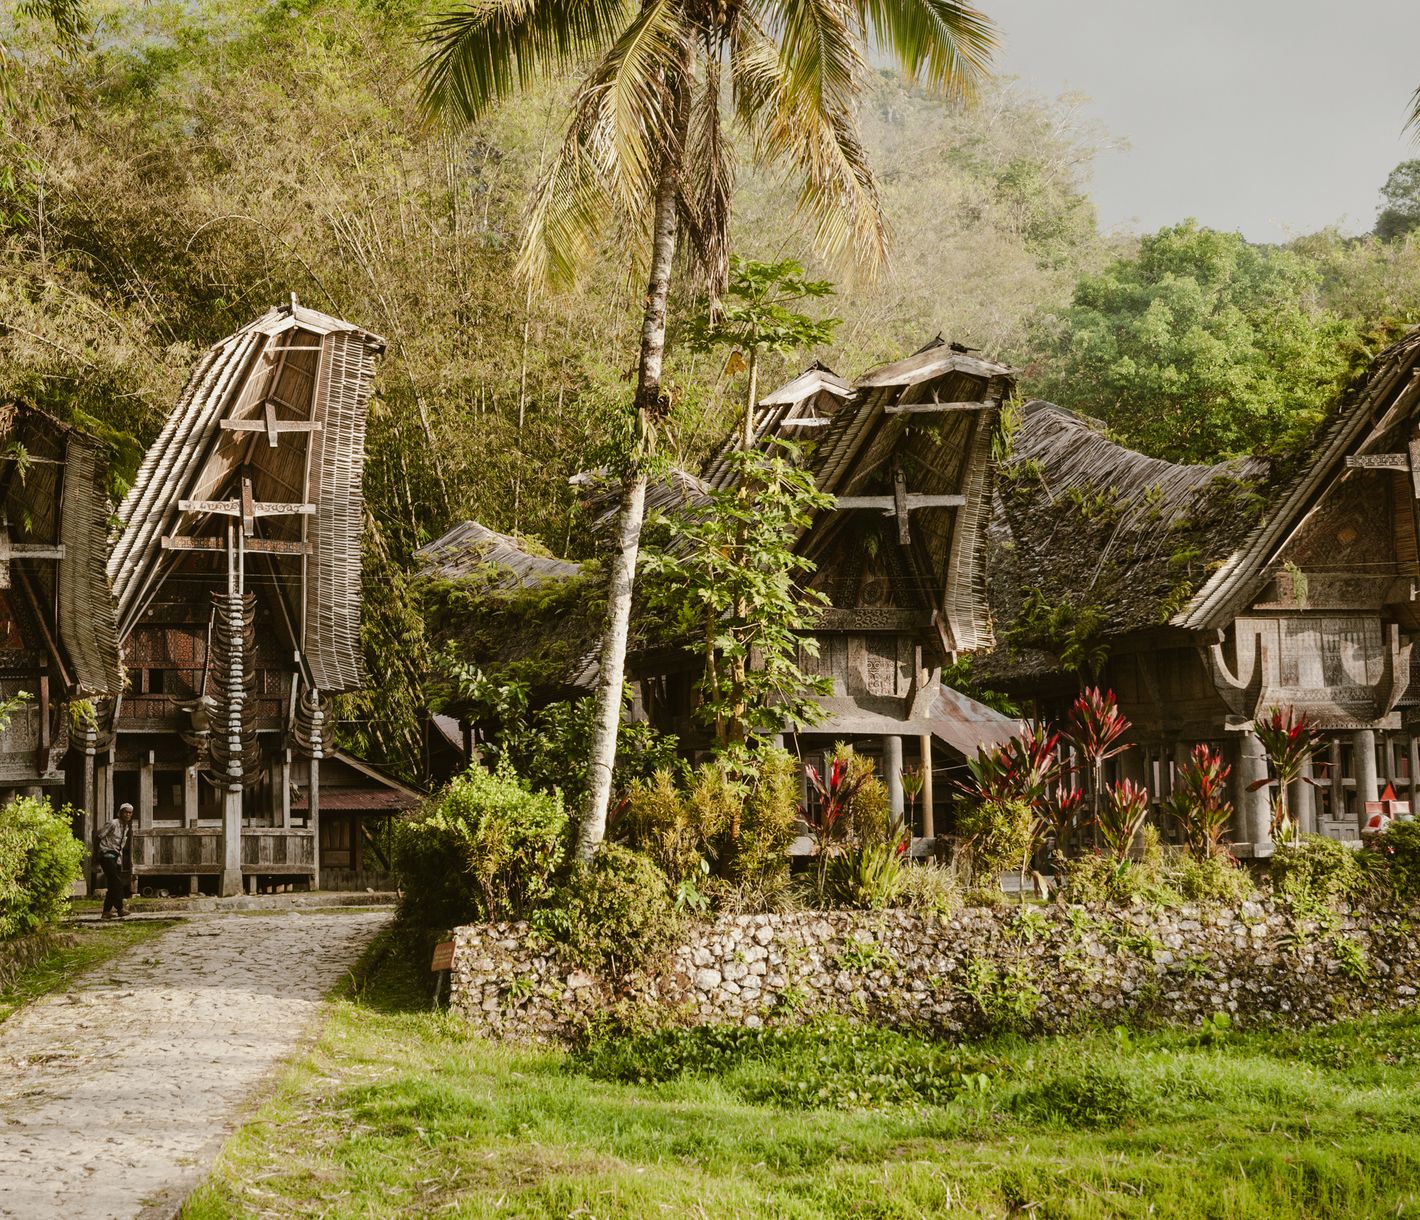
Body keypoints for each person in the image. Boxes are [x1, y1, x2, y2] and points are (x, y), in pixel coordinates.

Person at [97, 802, 134, 920]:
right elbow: (98, 837)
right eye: (125, 812)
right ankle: (120, 909)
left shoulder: (126, 827)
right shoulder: (113, 823)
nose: (128, 814)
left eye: (130, 813)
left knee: (113, 884)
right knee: (116, 882)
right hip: (106, 854)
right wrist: (95, 856)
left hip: (116, 857)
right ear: (120, 813)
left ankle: (106, 911)